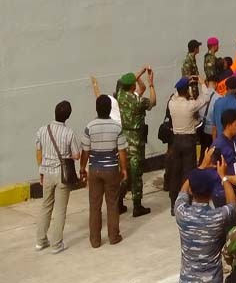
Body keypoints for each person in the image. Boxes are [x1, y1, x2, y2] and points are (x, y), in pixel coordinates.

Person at [174, 157, 236, 283]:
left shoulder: (181, 212)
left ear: (191, 190)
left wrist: (201, 166)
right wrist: (223, 176)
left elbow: (183, 191)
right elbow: (232, 204)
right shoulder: (218, 216)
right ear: (212, 192)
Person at [80, 95, 128, 247]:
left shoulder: (90, 126)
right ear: (109, 109)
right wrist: (124, 168)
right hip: (111, 169)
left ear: (96, 108)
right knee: (112, 203)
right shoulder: (117, 127)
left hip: (94, 169)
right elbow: (121, 151)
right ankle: (113, 236)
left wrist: (82, 168)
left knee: (94, 205)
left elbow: (85, 151)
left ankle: (95, 240)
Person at [35, 100, 81, 253]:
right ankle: (56, 244)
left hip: (47, 173)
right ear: (68, 116)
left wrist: (41, 170)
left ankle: (41, 241)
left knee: (46, 206)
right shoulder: (69, 133)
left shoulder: (42, 130)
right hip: (62, 175)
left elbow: (39, 151)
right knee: (60, 209)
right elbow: (76, 155)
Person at [116, 68, 156, 217]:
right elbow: (153, 102)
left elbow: (130, 85)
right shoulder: (138, 101)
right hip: (136, 142)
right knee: (136, 175)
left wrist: (138, 74)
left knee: (123, 173)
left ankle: (118, 203)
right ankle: (137, 206)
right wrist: (151, 84)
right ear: (133, 86)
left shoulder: (120, 95)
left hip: (122, 141)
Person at [168, 77, 210, 214]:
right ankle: (188, 202)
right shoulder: (190, 106)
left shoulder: (171, 103)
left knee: (175, 173)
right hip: (188, 140)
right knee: (188, 172)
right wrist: (201, 83)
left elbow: (177, 94)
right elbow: (205, 98)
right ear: (187, 90)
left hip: (176, 141)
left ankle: (174, 204)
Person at [211, 75, 236, 139]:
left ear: (226, 87)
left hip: (220, 141)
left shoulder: (217, 103)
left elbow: (214, 128)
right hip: (234, 141)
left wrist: (215, 143)